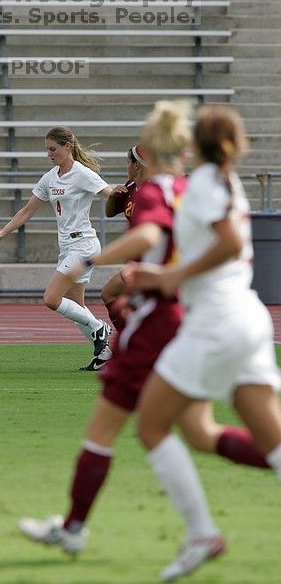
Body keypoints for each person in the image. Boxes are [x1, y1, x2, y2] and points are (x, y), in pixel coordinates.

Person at [17, 102, 274, 565]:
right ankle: (171, 531)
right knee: (201, 431)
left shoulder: (163, 188)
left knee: (130, 428)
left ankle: (85, 529)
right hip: (240, 319)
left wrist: (106, 263)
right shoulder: (218, 184)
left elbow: (152, 231)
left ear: (145, 155)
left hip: (183, 322)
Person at [126, 104, 281, 581]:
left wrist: (170, 274)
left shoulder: (203, 187)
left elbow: (230, 242)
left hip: (216, 321)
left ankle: (201, 533)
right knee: (270, 442)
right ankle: (200, 534)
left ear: (196, 145)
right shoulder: (228, 182)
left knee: (151, 427)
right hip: (248, 318)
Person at [0, 125, 113, 370]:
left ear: (67, 147)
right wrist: (3, 231)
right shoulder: (50, 177)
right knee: (77, 307)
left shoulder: (83, 174)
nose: (49, 153)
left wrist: (128, 197)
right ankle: (104, 355)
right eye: (46, 149)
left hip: (83, 245)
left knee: (52, 298)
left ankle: (100, 328)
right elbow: (26, 211)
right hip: (67, 248)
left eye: (53, 149)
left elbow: (108, 193)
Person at [101, 143, 148, 333]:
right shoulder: (130, 187)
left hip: (152, 258)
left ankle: (141, 344)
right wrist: (112, 197)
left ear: (136, 165)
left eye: (128, 162)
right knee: (110, 294)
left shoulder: (154, 190)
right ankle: (137, 343)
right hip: (138, 259)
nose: (127, 166)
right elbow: (111, 213)